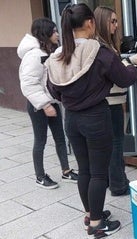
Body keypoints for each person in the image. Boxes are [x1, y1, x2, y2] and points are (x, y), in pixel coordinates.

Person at [45, 3, 137, 238]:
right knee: (99, 174)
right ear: (90, 22)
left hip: (71, 119)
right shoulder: (100, 53)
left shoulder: (58, 55)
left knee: (84, 170)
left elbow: (53, 91)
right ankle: (96, 224)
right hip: (96, 117)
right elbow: (125, 79)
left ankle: (90, 212)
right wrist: (132, 65)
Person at [17, 18, 78, 190]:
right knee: (41, 140)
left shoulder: (47, 51)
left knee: (60, 138)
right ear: (45, 33)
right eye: (54, 31)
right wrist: (45, 105)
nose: (57, 34)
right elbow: (28, 84)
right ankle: (40, 176)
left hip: (51, 102)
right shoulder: (34, 55)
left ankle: (66, 171)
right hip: (39, 106)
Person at [94, 6, 137, 197]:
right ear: (102, 22)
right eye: (112, 21)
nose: (116, 25)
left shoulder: (99, 45)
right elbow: (120, 76)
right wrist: (131, 64)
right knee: (116, 144)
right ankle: (118, 184)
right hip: (111, 102)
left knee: (109, 144)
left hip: (106, 102)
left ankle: (113, 180)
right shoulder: (104, 47)